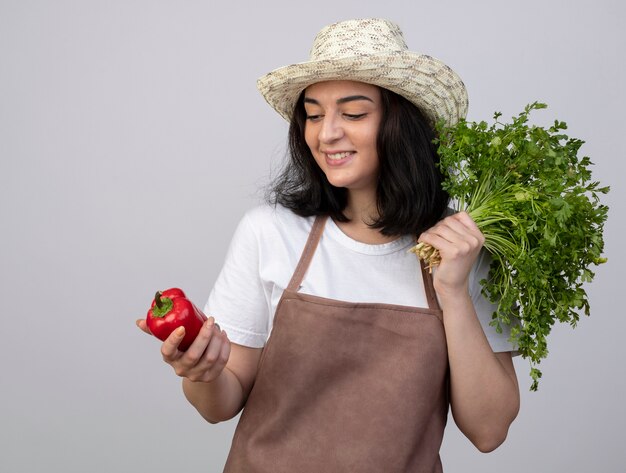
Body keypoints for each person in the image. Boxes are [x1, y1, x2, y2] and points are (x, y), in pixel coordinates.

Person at [137, 18, 520, 472]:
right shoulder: (270, 232)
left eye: (353, 113)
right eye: (314, 114)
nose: (326, 133)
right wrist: (202, 374)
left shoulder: (461, 250)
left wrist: (453, 292)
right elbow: (220, 403)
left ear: (402, 123)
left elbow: (489, 430)